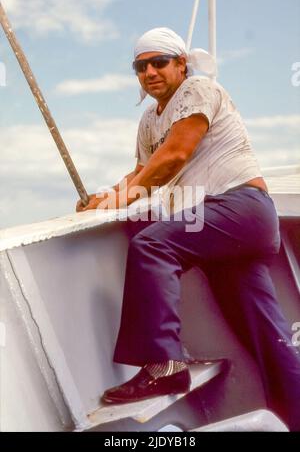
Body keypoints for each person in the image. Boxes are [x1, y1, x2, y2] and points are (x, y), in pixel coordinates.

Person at [76, 27, 300, 430]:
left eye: (159, 62)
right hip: (219, 231)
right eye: (140, 66)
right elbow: (143, 171)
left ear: (181, 63)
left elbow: (175, 154)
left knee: (152, 247)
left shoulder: (198, 89)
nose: (150, 72)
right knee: (269, 340)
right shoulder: (149, 120)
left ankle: (164, 365)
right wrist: (105, 195)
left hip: (241, 208)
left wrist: (120, 199)